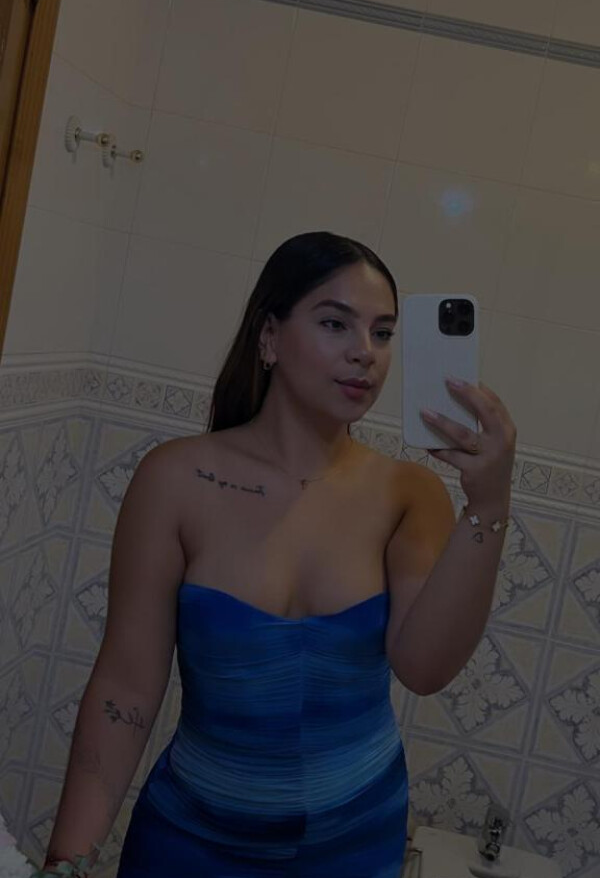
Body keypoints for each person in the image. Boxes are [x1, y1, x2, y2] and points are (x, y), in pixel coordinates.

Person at [38, 231, 516, 878]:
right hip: (190, 843)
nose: (365, 352)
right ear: (269, 337)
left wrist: (487, 504)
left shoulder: (409, 493)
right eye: (335, 323)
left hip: (355, 846)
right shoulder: (176, 479)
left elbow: (425, 668)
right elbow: (125, 687)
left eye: (382, 333)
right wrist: (67, 861)